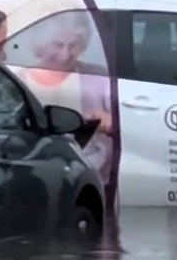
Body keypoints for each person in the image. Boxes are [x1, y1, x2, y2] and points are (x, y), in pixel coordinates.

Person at [10, 11, 113, 185]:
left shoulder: (99, 78)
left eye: (73, 45)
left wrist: (110, 122)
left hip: (91, 180)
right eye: (58, 45)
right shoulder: (18, 82)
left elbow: (128, 124)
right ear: (40, 44)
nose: (66, 54)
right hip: (35, 178)